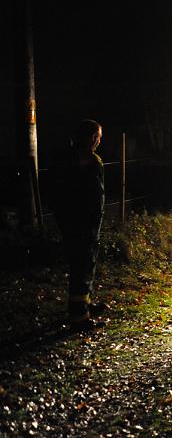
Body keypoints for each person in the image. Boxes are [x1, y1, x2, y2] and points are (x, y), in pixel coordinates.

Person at [52, 119, 105, 331]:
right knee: (82, 268)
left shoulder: (65, 161)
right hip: (85, 225)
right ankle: (79, 317)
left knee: (82, 266)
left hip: (70, 223)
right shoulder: (92, 162)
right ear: (93, 138)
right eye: (99, 137)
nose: (100, 141)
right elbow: (95, 198)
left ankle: (85, 304)